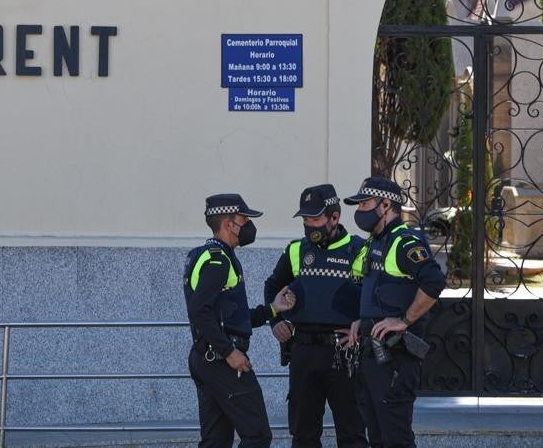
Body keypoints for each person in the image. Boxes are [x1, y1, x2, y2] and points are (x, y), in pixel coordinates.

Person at [184, 193, 297, 448]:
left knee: (216, 441)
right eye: (244, 220)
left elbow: (233, 317)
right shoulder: (217, 260)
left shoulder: (208, 254)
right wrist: (229, 353)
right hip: (222, 361)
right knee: (257, 435)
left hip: (208, 358)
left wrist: (272, 309)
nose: (249, 226)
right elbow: (199, 311)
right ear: (228, 224)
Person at [263, 184, 369, 448]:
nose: (310, 225)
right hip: (303, 351)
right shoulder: (296, 250)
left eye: (315, 218)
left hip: (344, 353)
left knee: (353, 434)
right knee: (303, 435)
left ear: (334, 217)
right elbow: (272, 286)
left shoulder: (359, 249)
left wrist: (363, 325)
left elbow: (375, 295)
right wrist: (275, 320)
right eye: (306, 219)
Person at [343, 176, 445, 448]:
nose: (360, 210)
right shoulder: (375, 241)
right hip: (371, 354)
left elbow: (434, 282)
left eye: (365, 203)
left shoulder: (404, 241)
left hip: (394, 358)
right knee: (377, 437)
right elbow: (376, 291)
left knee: (395, 438)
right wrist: (361, 321)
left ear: (386, 204)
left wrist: (404, 320)